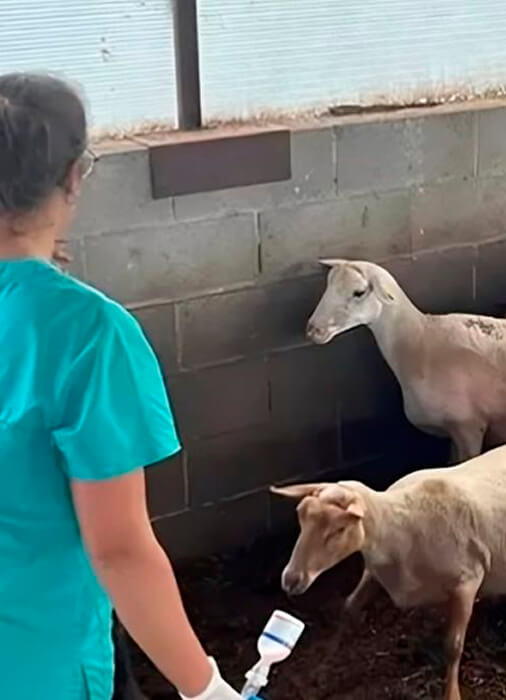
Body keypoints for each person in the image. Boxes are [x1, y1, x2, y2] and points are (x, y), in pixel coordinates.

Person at [0, 72, 243, 700]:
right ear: (75, 177)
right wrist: (207, 689)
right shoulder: (86, 335)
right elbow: (118, 551)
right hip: (38, 664)